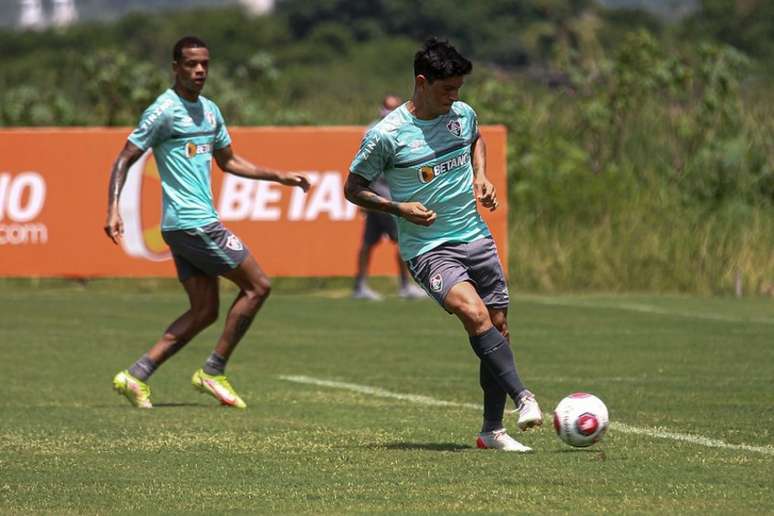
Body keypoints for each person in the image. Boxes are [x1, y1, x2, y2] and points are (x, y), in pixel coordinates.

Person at [344, 38, 542, 451]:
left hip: (475, 235)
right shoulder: (387, 134)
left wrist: (480, 176)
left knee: (498, 327)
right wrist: (398, 208)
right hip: (428, 248)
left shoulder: (462, 115)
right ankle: (524, 396)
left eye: (459, 89)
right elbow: (353, 188)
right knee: (472, 313)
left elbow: (476, 140)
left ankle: (492, 432)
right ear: (422, 82)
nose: (455, 98)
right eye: (447, 89)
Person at [104, 36, 310, 409]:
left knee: (205, 311)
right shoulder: (163, 111)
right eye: (191, 64)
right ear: (175, 68)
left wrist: (278, 176)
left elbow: (229, 161)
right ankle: (213, 371)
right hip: (193, 223)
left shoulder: (211, 111)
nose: (199, 70)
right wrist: (113, 209)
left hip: (185, 227)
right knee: (258, 286)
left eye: (205, 65)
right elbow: (123, 158)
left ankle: (136, 375)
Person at [353, 94, 426, 301]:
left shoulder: (403, 129)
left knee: (369, 241)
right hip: (383, 195)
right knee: (401, 240)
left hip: (380, 194)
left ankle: (360, 286)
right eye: (387, 108)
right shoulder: (375, 131)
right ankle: (404, 286)